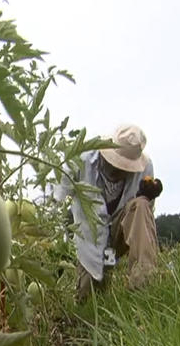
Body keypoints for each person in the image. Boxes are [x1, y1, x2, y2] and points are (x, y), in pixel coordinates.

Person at [53, 124, 163, 299]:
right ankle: (95, 297)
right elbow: (55, 197)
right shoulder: (81, 160)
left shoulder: (145, 168)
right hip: (90, 237)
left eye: (125, 168)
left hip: (120, 232)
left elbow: (146, 215)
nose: (119, 171)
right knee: (89, 297)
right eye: (116, 165)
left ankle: (144, 285)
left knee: (141, 205)